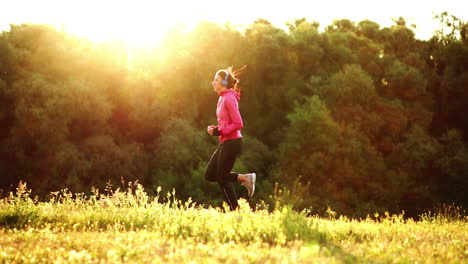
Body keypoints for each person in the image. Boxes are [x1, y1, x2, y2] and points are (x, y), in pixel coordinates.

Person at [204, 65, 256, 212]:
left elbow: (239, 123)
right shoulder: (222, 98)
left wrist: (219, 131)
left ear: (224, 83)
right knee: (210, 175)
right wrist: (217, 129)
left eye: (216, 80)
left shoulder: (229, 99)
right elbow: (226, 122)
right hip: (226, 141)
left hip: (233, 142)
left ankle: (236, 212)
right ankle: (246, 179)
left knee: (222, 177)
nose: (213, 82)